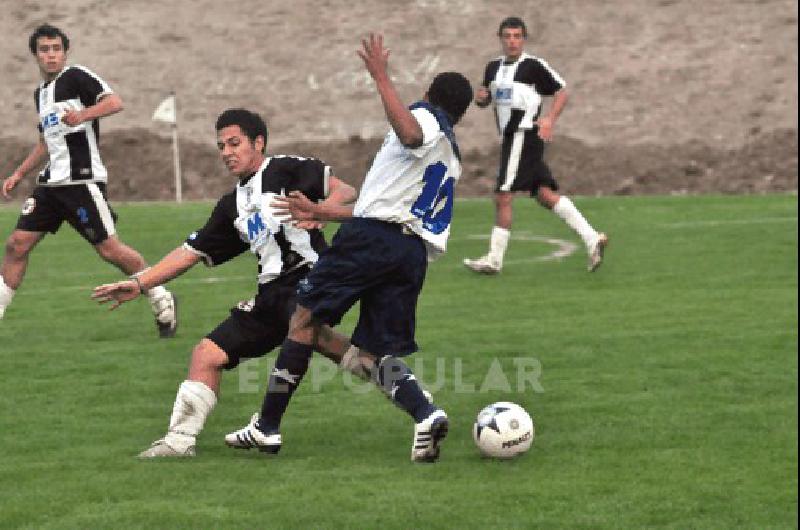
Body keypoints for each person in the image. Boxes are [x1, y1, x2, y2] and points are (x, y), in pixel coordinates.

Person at [224, 34, 473, 463]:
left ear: (430, 95)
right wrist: (324, 211)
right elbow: (386, 206)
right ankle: (425, 414)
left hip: (372, 244)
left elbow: (411, 133)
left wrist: (381, 77)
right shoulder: (451, 156)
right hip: (409, 255)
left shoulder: (424, 119)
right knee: (374, 353)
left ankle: (266, 427)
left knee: (302, 319)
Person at [92, 108, 363, 457]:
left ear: (258, 142)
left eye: (234, 143)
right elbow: (190, 252)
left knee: (325, 344)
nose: (226, 152)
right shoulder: (232, 205)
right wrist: (140, 283)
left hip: (308, 281)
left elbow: (346, 190)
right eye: (221, 146)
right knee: (207, 354)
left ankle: (267, 428)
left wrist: (322, 210)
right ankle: (179, 442)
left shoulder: (286, 169)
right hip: (270, 296)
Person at [0, 24, 177, 335]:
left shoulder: (77, 76)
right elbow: (46, 141)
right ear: (35, 55)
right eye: (44, 49)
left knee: (110, 250)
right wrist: (19, 173)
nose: (51, 55)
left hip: (81, 181)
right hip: (50, 185)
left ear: (65, 52)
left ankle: (160, 295)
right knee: (16, 244)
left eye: (56, 48)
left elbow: (115, 102)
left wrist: (82, 115)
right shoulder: (40, 94)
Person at [463, 16, 608, 274]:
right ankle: (592, 238)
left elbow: (562, 91)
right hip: (511, 137)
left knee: (503, 195)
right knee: (543, 194)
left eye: (517, 36)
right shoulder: (492, 68)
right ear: (501, 39)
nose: (512, 41)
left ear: (523, 39)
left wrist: (550, 120)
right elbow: (486, 98)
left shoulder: (533, 66)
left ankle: (494, 260)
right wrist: (481, 98)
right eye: (507, 36)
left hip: (524, 135)